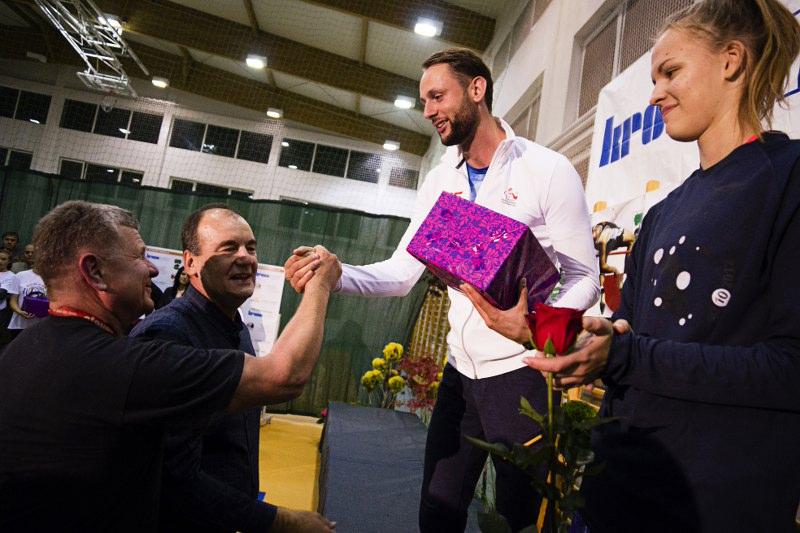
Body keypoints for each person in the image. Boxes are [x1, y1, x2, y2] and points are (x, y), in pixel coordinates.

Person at [467, 1, 800, 530]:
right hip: (617, 483)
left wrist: (624, 354)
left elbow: (789, 368)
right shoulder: (665, 211)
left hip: (715, 501)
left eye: (671, 72)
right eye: (652, 79)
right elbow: (631, 336)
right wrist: (547, 333)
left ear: (731, 60)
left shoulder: (788, 180)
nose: (655, 95)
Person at [285, 49, 599, 531]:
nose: (428, 110)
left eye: (437, 96)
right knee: (436, 511)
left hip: (522, 376)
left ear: (477, 89)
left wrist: (539, 329)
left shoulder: (547, 169)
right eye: (424, 101)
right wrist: (336, 272)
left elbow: (585, 278)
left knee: (517, 520)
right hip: (459, 376)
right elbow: (402, 273)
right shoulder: (439, 180)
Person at [0, 201, 339, 532]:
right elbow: (282, 377)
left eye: (250, 247)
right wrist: (320, 285)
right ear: (94, 271)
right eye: (139, 256)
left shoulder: (26, 348)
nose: (152, 269)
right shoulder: (140, 353)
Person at [130, 205, 278, 532]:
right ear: (190, 262)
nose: (245, 257)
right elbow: (172, 475)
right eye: (229, 248)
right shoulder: (168, 334)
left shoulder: (236, 328)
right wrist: (275, 521)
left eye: (251, 248)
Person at [7, 265, 46, 336]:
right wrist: (20, 312)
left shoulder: (53, 278)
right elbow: (13, 300)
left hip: (42, 326)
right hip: (19, 325)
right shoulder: (20, 275)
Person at [0, 250, 16, 351]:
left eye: (3, 259)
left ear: (9, 261)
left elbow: (1, 294)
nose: (0, 261)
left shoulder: (11, 276)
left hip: (2, 314)